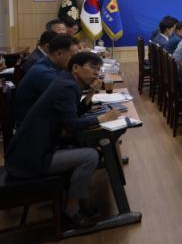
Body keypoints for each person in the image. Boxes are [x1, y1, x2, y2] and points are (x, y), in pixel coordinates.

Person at [5, 52, 121, 229]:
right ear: (75, 68)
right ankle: (71, 211)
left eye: (98, 69)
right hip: (30, 161)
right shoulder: (67, 87)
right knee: (90, 156)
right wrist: (101, 119)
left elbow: (71, 114)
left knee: (88, 148)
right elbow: (72, 125)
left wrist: (91, 94)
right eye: (92, 68)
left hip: (29, 153)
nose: (96, 73)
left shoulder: (66, 82)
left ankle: (77, 204)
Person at [13, 35, 80, 124]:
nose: (76, 61)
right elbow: (69, 98)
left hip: (45, 119)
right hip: (35, 125)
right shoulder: (44, 73)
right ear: (59, 54)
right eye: (73, 56)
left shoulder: (50, 63)